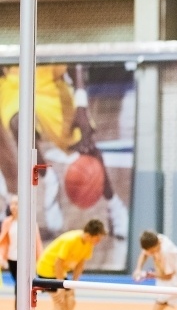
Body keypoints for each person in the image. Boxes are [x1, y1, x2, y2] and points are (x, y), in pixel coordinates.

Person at [0, 64, 128, 238]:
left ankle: (114, 204)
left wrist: (81, 105)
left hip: (50, 84)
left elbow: (78, 61)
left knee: (86, 146)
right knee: (20, 125)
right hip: (14, 83)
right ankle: (46, 179)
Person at [36, 218, 106, 310]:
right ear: (89, 235)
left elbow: (80, 264)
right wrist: (61, 287)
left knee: (71, 302)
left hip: (60, 272)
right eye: (98, 238)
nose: (99, 241)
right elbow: (58, 262)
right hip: (47, 269)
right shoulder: (71, 240)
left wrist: (73, 286)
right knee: (59, 302)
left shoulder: (88, 245)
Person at [0, 194, 43, 310]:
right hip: (12, 260)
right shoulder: (7, 222)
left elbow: (37, 243)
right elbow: (4, 241)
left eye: (17, 204)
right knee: (20, 287)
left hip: (25, 261)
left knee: (20, 287)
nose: (14, 206)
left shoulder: (30, 222)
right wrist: (2, 257)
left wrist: (39, 261)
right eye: (12, 204)